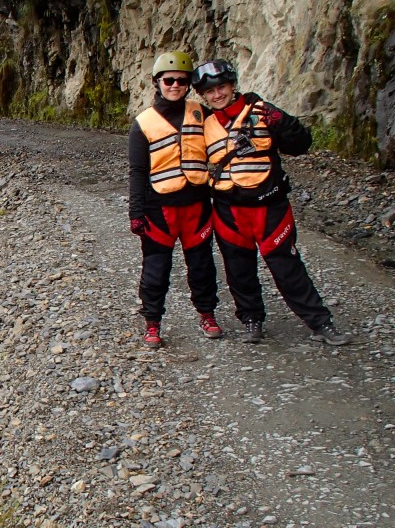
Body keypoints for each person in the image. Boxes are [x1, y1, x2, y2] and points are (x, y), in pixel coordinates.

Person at [192, 58, 352, 346]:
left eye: (222, 87)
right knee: (239, 270)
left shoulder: (262, 112)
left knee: (288, 268)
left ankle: (320, 323)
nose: (217, 95)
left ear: (232, 85)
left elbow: (301, 145)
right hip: (229, 211)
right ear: (203, 96)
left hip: (270, 207)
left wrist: (285, 124)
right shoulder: (204, 125)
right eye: (210, 91)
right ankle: (252, 319)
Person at [128, 50, 222, 349]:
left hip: (197, 205)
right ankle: (152, 322)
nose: (175, 85)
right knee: (156, 269)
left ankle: (207, 314)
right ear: (157, 82)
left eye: (181, 81)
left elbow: (223, 146)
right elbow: (138, 171)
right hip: (160, 210)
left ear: (189, 84)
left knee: (202, 265)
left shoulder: (202, 113)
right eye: (168, 80)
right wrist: (136, 211)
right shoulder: (143, 123)